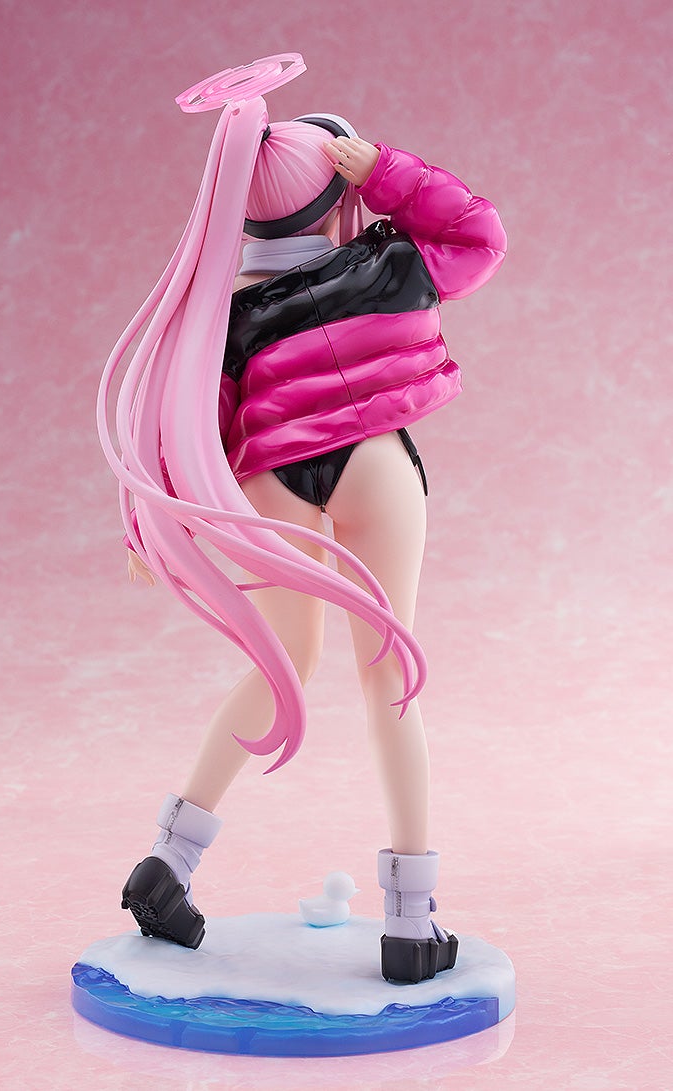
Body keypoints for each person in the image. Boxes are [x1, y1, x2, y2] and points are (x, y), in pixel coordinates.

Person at [97, 76, 506, 983]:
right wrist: (388, 172)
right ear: (337, 194)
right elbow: (481, 236)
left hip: (275, 480)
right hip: (374, 465)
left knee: (279, 662)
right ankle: (411, 923)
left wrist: (146, 528)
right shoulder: (391, 262)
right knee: (389, 676)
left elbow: (190, 426)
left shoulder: (223, 316)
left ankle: (168, 861)